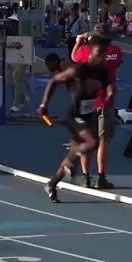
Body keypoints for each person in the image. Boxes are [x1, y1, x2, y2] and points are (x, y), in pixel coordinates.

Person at [39, 32, 113, 202]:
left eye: (104, 54)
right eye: (99, 53)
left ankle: (52, 184)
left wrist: (109, 93)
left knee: (73, 155)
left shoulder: (102, 71)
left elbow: (108, 84)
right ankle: (71, 165)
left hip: (88, 116)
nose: (102, 57)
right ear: (91, 52)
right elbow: (53, 81)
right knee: (93, 142)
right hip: (73, 117)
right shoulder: (79, 69)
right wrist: (44, 105)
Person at [70, 25, 123, 189]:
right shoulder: (115, 51)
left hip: (87, 101)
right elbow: (117, 64)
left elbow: (73, 57)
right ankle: (101, 176)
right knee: (103, 140)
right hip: (105, 100)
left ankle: (85, 177)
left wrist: (79, 42)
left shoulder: (86, 51)